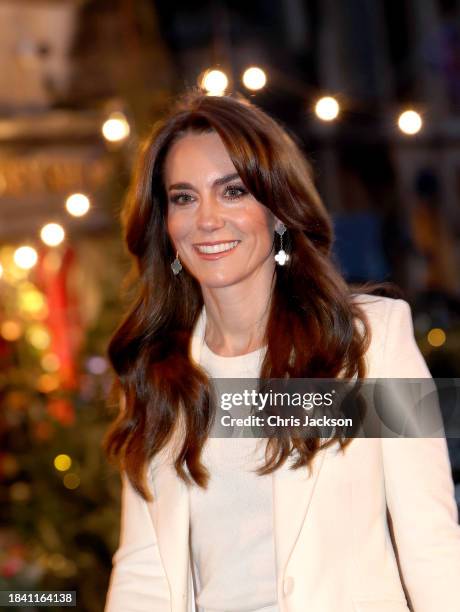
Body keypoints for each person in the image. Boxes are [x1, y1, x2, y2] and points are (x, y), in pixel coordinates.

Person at [103, 90, 460, 612]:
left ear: (276, 209)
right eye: (184, 197)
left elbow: (431, 542)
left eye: (233, 191)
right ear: (166, 225)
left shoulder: (371, 342)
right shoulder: (160, 375)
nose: (207, 219)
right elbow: (143, 572)